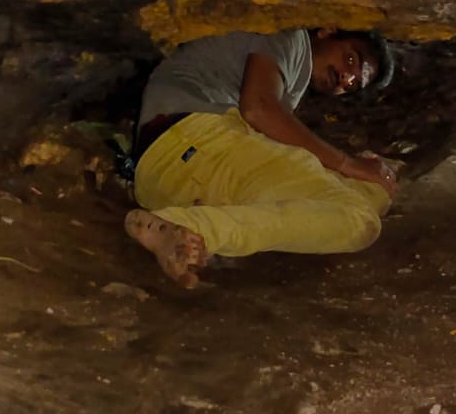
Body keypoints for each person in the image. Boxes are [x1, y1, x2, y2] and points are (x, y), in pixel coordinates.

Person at [125, 28, 398, 287]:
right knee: (360, 221)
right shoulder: (290, 38)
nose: (345, 78)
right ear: (328, 30)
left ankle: (179, 228)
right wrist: (347, 164)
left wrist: (358, 171)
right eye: (350, 59)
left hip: (176, 171)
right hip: (194, 137)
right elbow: (258, 110)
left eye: (353, 85)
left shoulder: (293, 80)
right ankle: (187, 228)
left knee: (374, 194)